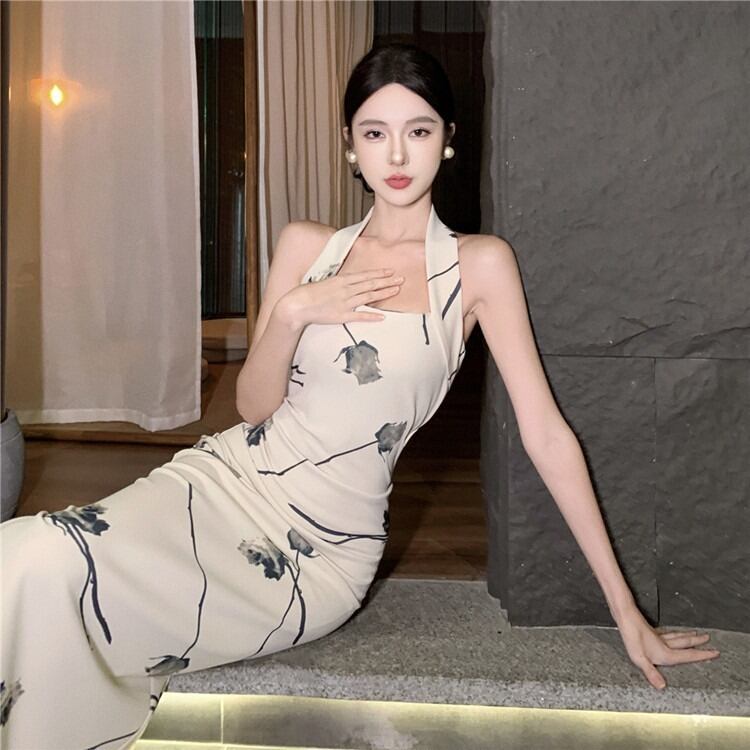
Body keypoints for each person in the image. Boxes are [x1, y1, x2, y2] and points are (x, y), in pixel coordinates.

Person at [0, 41, 719, 750]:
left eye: (418, 132)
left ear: (448, 140)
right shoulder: (306, 245)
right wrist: (293, 312)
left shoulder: (478, 266)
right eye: (375, 134)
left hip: (321, 552)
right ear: (350, 145)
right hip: (221, 481)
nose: (397, 155)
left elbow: (547, 436)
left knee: (59, 576)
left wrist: (626, 610)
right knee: (31, 549)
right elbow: (253, 407)